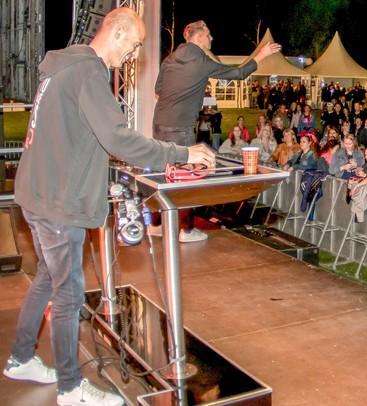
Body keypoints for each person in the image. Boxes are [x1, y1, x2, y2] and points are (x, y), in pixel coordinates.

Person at [3, 8, 215, 406]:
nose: (133, 54)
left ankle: (20, 359)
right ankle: (70, 388)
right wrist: (182, 152)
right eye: (133, 44)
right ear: (116, 32)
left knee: (48, 279)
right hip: (57, 202)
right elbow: (118, 139)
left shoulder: (63, 66)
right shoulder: (88, 72)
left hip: (38, 193)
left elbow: (79, 134)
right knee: (68, 293)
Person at [151, 19, 280, 242]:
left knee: (164, 176)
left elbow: (158, 90)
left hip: (159, 126)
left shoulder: (170, 58)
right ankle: (185, 230)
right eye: (208, 34)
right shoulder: (200, 60)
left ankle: (157, 225)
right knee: (186, 180)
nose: (212, 38)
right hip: (180, 130)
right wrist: (261, 54)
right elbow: (238, 74)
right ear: (198, 36)